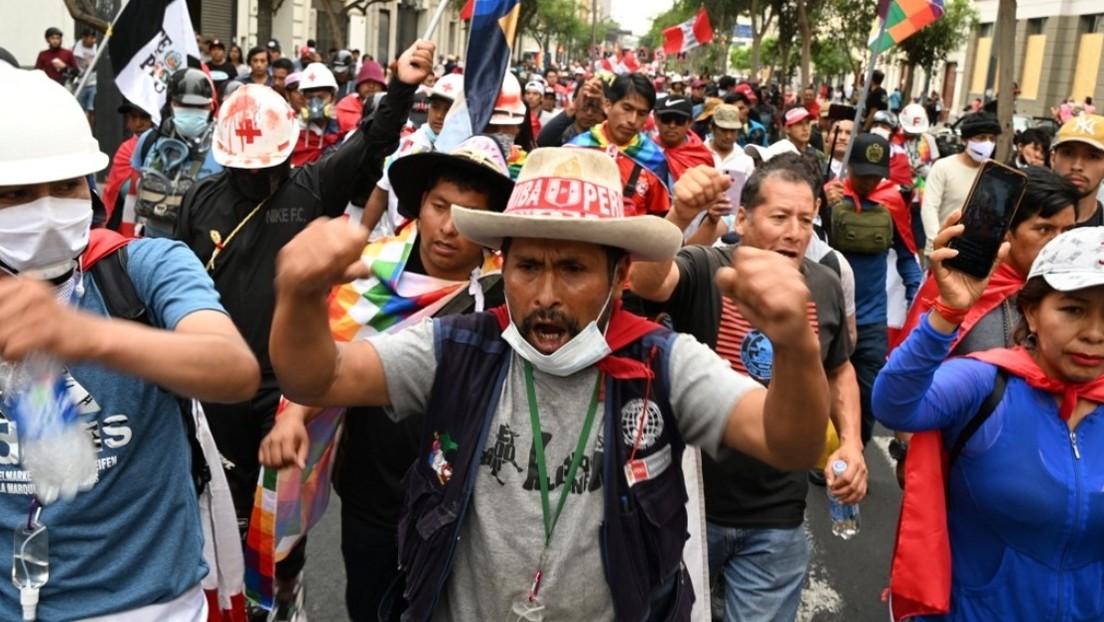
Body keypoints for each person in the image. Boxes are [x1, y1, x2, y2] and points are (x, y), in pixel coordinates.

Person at [268, 146, 830, 620]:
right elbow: (321, 376)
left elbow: (791, 444)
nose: (545, 296)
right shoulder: (458, 349)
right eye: (528, 267)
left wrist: (795, 348)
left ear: (620, 275)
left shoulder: (662, 363)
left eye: (574, 269)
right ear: (503, 264)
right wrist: (299, 295)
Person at [175, 41, 434, 621]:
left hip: (288, 385)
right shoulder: (200, 201)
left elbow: (372, 143)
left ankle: (286, 590)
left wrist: (400, 87)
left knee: (280, 507)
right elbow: (178, 280)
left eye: (270, 165)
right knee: (224, 496)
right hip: (217, 377)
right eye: (248, 168)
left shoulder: (314, 185)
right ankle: (234, 597)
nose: (260, 176)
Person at [0, 62, 259, 621]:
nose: (47, 211)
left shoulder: (143, 268)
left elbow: (233, 369)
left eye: (66, 186)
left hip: (151, 607)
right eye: (16, 194)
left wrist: (85, 336)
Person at [260, 135, 513, 622]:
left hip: (462, 500)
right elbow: (329, 358)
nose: (448, 227)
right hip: (372, 494)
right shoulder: (366, 271)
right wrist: (293, 417)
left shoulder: (507, 293)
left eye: (469, 215)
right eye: (440, 206)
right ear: (421, 203)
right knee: (370, 606)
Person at [628, 155, 866, 622]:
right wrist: (679, 214)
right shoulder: (706, 266)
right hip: (689, 509)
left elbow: (839, 369)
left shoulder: (824, 284)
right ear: (742, 219)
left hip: (777, 517)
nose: (794, 232)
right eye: (779, 217)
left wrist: (853, 443)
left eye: (805, 220)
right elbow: (647, 281)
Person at [874, 224, 1104, 621]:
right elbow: (895, 405)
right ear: (1031, 312)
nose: (1095, 334)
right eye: (1073, 310)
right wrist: (947, 314)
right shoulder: (986, 382)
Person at [886, 167, 1079, 484]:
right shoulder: (957, 285)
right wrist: (907, 451)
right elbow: (906, 378)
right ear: (1007, 232)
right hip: (958, 463)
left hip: (1046, 472)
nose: (1058, 243)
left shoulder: (1080, 297)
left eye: (1068, 230)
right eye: (1044, 229)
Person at [827, 133, 922, 444]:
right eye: (863, 174)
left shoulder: (890, 203)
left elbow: (907, 257)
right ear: (849, 167)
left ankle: (856, 448)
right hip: (830, 316)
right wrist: (822, 207)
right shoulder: (829, 198)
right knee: (824, 390)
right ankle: (824, 453)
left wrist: (916, 296)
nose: (869, 182)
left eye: (876, 175)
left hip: (872, 322)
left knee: (869, 397)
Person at [132, 68, 221, 238]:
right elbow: (136, 187)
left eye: (200, 106)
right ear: (170, 104)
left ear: (211, 107)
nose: (192, 111)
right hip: (155, 245)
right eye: (184, 105)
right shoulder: (149, 140)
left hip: (202, 245)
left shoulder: (224, 145)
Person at [569, 73, 671, 217]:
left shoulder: (654, 161)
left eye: (642, 113)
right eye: (627, 108)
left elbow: (659, 219)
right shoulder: (576, 149)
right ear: (607, 105)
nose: (632, 120)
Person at [920, 112, 1000, 257]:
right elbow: (929, 208)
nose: (988, 144)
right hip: (941, 250)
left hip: (972, 253)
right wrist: (936, 243)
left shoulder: (993, 174)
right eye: (981, 137)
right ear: (964, 140)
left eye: (992, 139)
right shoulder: (943, 167)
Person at [102, 100, 153, 235]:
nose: (138, 123)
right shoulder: (125, 150)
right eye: (133, 117)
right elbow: (115, 190)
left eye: (144, 117)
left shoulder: (167, 149)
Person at [1049, 114, 1104, 226]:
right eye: (1068, 153)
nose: (1077, 166)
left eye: (1092, 156)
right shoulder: (1019, 217)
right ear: (1053, 159)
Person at [290, 63, 343, 167]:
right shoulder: (292, 129)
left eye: (321, 97)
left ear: (333, 98)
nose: (315, 103)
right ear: (303, 98)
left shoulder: (342, 129)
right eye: (309, 98)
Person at [653, 94, 715, 181]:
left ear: (689, 123)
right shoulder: (646, 150)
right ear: (657, 119)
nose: (672, 125)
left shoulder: (701, 157)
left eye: (679, 120)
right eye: (666, 119)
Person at [534, 77, 606, 148]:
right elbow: (542, 142)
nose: (589, 113)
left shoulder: (607, 136)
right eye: (585, 106)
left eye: (596, 107)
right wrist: (573, 107)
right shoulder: (562, 132)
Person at [72, 28, 97, 130]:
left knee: (91, 109)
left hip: (93, 82)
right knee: (79, 109)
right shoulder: (74, 48)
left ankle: (90, 131)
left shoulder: (97, 48)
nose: (93, 40)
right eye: (91, 38)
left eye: (94, 38)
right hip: (80, 82)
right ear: (84, 37)